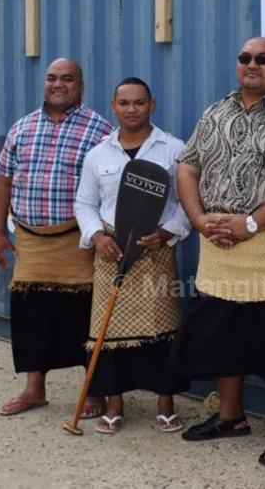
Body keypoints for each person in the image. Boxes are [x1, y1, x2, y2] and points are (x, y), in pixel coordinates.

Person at [170, 37, 265, 466]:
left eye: (262, 59)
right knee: (224, 335)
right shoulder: (215, 111)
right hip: (220, 245)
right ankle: (230, 415)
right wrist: (199, 219)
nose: (252, 64)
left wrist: (252, 223)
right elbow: (187, 165)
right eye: (245, 58)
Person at [0, 58, 112, 417]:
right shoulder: (22, 128)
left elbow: (109, 189)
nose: (58, 84)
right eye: (52, 78)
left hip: (78, 241)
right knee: (32, 315)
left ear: (81, 85)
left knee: (84, 316)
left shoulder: (100, 130)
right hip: (30, 243)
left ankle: (94, 392)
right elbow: (3, 182)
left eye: (67, 78)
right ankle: (34, 389)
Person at [74, 77, 191, 434]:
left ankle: (165, 405)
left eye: (139, 102)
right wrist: (97, 236)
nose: (132, 109)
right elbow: (85, 203)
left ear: (151, 105)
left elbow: (187, 202)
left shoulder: (173, 149)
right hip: (112, 252)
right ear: (114, 106)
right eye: (124, 103)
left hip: (155, 250)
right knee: (108, 329)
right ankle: (114, 405)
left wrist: (168, 232)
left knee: (162, 329)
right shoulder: (98, 154)